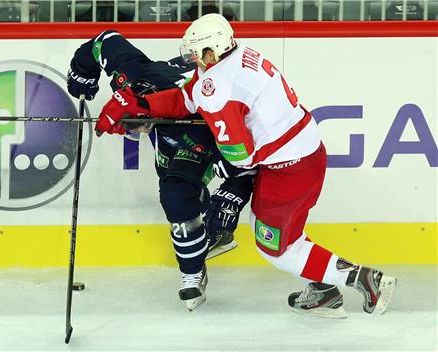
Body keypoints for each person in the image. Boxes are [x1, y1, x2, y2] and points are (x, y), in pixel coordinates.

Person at [94, 14, 397, 318]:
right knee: (284, 234)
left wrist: (219, 181)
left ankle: (363, 279)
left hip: (288, 171)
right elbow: (190, 98)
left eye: (194, 54)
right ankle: (323, 291)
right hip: (303, 155)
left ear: (211, 51)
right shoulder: (240, 56)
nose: (190, 60)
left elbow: (240, 156)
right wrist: (144, 106)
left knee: (277, 247)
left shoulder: (219, 88)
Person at [67, 30, 255, 311]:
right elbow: (104, 41)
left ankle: (194, 266)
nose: (132, 131)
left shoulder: (202, 111)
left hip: (201, 129)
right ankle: (202, 228)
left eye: (134, 124)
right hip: (168, 107)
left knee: (177, 195)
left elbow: (246, 158)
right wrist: (81, 75)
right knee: (177, 186)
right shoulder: (129, 74)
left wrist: (226, 205)